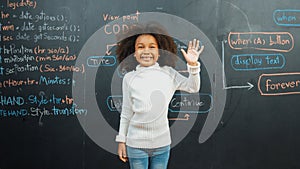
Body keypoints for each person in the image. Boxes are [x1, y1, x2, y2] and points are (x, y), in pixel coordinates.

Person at [115, 22, 204, 169]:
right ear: (133, 52)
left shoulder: (168, 73)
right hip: (135, 144)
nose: (146, 51)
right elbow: (126, 113)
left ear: (159, 50)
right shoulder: (129, 78)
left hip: (162, 144)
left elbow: (193, 87)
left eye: (152, 46)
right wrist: (121, 141)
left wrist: (193, 65)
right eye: (140, 47)